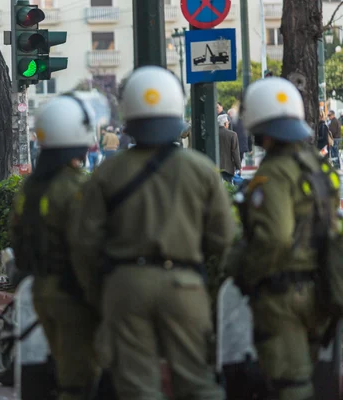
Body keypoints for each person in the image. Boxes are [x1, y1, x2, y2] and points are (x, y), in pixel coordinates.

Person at [69, 66, 232, 399]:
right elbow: (223, 240)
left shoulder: (107, 172)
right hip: (185, 284)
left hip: (126, 285)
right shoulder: (201, 170)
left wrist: (99, 292)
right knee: (198, 383)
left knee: (137, 387)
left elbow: (84, 244)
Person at [230, 77, 339, 400]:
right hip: (318, 289)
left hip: (282, 295)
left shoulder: (274, 173)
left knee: (289, 386)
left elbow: (274, 239)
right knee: (309, 375)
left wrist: (243, 271)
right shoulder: (315, 165)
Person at [10, 93, 104, 400]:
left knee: (65, 367)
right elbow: (86, 247)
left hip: (42, 289)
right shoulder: (76, 187)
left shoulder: (29, 187)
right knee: (79, 381)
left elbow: (18, 240)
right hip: (72, 292)